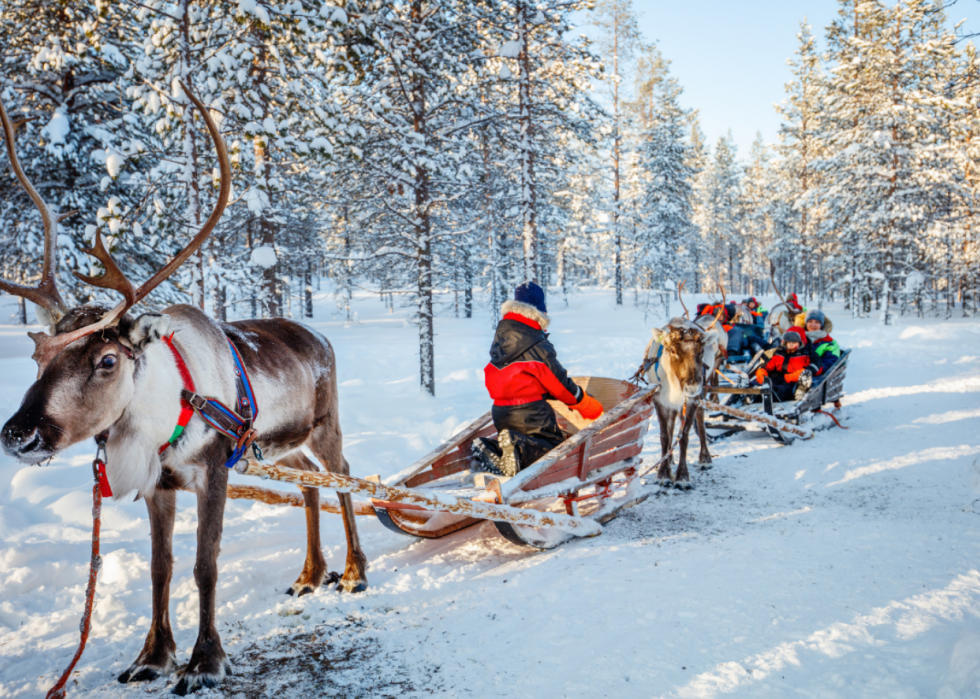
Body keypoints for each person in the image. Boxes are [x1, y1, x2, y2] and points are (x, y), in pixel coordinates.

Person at [471, 282, 604, 477]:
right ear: (540, 312)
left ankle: (491, 446)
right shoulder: (537, 344)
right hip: (531, 414)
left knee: (519, 448)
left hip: (500, 412)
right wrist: (584, 404)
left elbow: (513, 377)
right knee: (554, 450)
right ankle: (517, 446)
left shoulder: (501, 338)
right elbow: (561, 385)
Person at [754, 327, 821, 401]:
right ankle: (751, 391)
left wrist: (792, 376)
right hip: (777, 378)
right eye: (789, 342)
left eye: (794, 342)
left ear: (801, 342)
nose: (791, 345)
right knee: (760, 383)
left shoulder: (809, 354)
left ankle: (765, 394)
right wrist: (762, 375)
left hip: (793, 381)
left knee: (780, 391)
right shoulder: (780, 353)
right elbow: (768, 365)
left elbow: (814, 368)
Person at [803, 309, 841, 374]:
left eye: (817, 322)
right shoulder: (798, 337)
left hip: (815, 376)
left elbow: (830, 362)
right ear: (806, 323)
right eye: (810, 321)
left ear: (822, 324)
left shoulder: (830, 343)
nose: (813, 324)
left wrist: (813, 369)